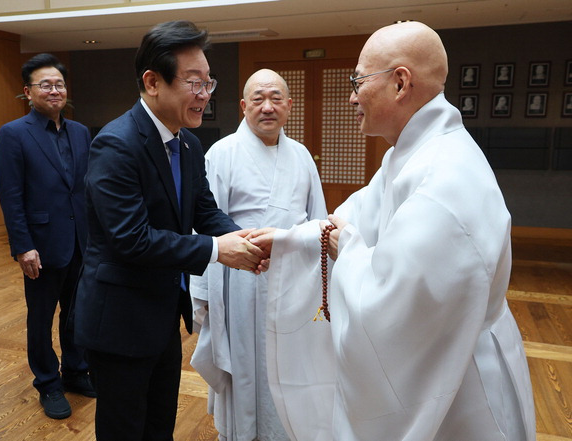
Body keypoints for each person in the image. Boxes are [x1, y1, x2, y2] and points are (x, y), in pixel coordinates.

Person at [249, 21, 536, 441]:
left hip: (457, 380)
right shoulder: (411, 155)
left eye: (359, 81)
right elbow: (356, 214)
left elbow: (397, 301)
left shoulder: (445, 176)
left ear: (400, 83)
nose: (351, 96)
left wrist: (346, 246)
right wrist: (292, 240)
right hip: (441, 364)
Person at [73, 21, 265, 441]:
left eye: (208, 82)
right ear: (152, 82)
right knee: (125, 429)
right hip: (120, 320)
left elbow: (205, 211)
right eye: (194, 83)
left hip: (161, 313)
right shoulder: (116, 144)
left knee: (160, 425)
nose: (205, 94)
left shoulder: (188, 144)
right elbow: (131, 240)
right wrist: (218, 250)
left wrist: (249, 241)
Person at [190, 69, 327, 441]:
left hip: (292, 281)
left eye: (276, 98)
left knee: (289, 364)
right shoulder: (222, 153)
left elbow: (318, 222)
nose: (267, 107)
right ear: (243, 106)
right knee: (246, 367)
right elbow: (203, 224)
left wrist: (323, 283)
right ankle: (242, 433)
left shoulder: (301, 156)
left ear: (289, 105)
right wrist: (201, 295)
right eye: (258, 99)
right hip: (239, 282)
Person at [0, 53, 94, 419]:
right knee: (41, 319)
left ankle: (76, 372)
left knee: (77, 314)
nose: (55, 90)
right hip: (41, 244)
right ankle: (48, 383)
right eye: (46, 84)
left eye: (60, 84)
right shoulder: (14, 134)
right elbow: (11, 195)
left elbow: (84, 189)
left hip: (80, 242)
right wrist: (23, 246)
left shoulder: (80, 132)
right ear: (28, 91)